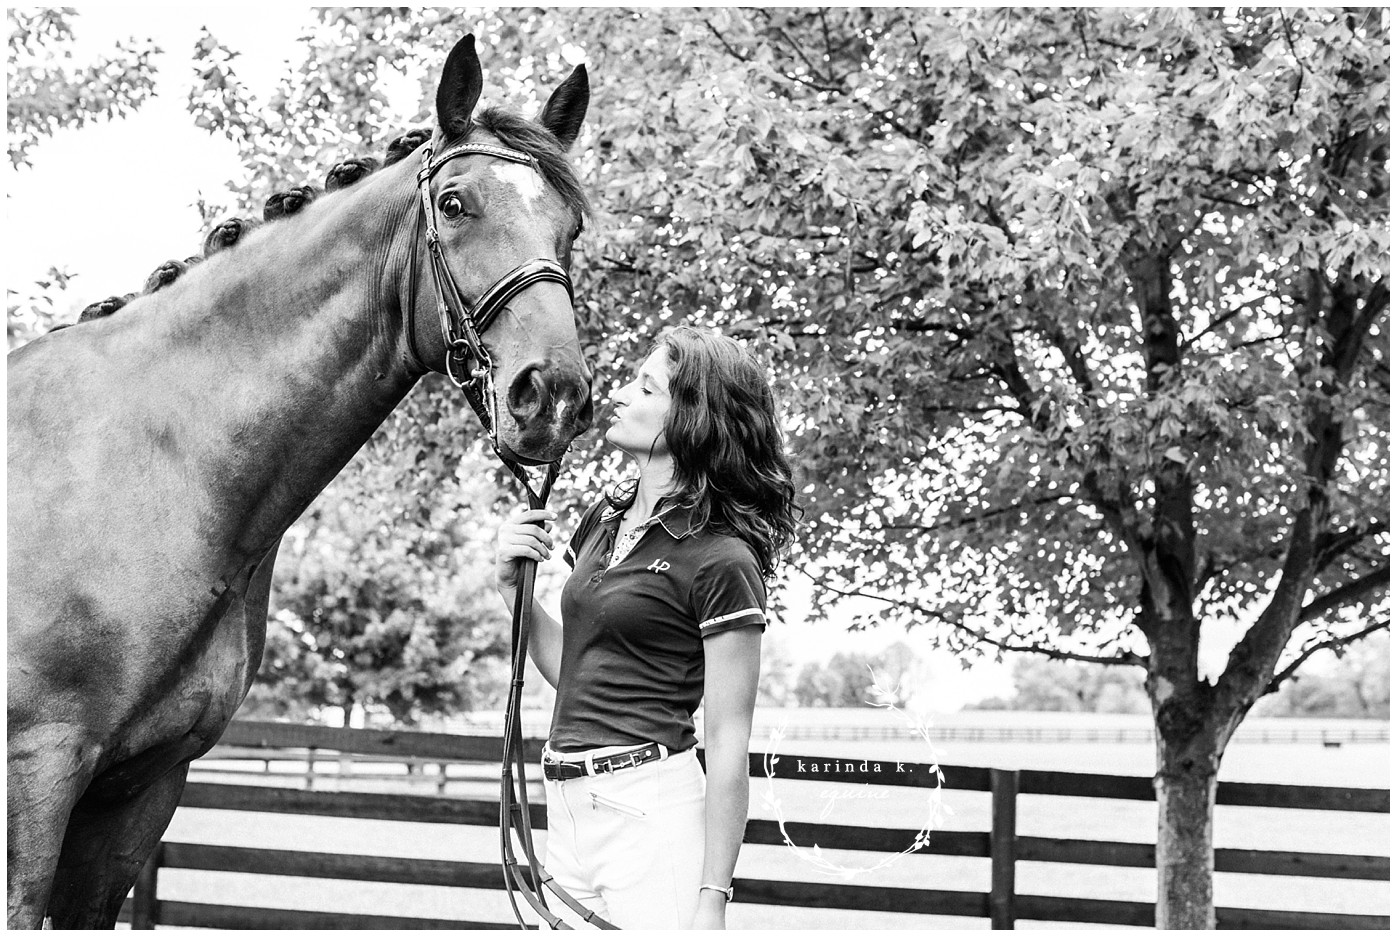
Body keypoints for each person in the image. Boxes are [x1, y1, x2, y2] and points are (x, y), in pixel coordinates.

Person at [495, 325, 798, 930]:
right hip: (566, 808)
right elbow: (578, 672)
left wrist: (713, 898)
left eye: (645, 388)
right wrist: (513, 591)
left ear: (692, 418)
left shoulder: (722, 558)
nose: (619, 395)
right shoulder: (603, 520)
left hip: (650, 812)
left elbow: (729, 740)